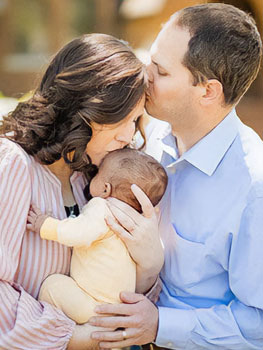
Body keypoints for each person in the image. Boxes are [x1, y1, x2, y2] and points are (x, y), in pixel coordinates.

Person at [87, 3, 263, 350]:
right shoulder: (147, 138)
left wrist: (161, 325)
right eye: (149, 60)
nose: (144, 76)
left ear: (208, 92)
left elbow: (257, 322)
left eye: (161, 72)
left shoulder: (253, 187)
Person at [0, 33, 164, 349]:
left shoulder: (90, 181)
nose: (129, 137)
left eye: (137, 121)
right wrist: (77, 338)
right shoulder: (13, 165)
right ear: (86, 109)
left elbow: (111, 286)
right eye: (124, 120)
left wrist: (149, 266)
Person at [27, 148, 168, 325]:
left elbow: (79, 233)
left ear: (105, 189)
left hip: (94, 306)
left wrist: (44, 225)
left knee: (52, 285)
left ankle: (50, 328)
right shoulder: (134, 223)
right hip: (116, 311)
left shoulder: (103, 208)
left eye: (98, 174)